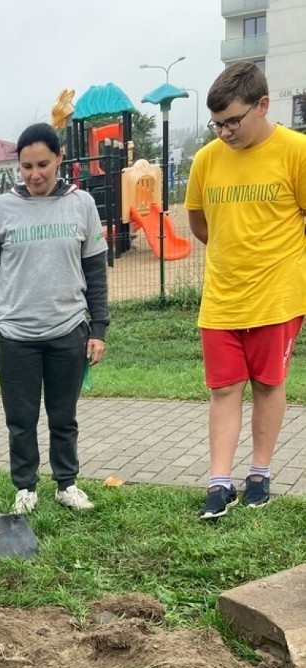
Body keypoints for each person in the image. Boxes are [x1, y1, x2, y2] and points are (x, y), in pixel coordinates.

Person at [185, 62, 306, 521]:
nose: (224, 132)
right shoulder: (206, 160)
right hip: (221, 298)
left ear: (263, 105)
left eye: (233, 121)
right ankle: (219, 481)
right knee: (223, 389)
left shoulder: (296, 151)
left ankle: (259, 473)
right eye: (216, 124)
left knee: (269, 384)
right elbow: (199, 222)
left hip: (278, 299)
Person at [0, 122, 109, 516]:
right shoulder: (1, 209)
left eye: (43, 165)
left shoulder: (81, 204)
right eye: (26, 166)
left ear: (59, 159)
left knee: (64, 417)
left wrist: (98, 328)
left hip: (68, 330)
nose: (34, 174)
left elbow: (96, 272)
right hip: (16, 335)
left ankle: (66, 483)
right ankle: (26, 487)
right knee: (21, 420)